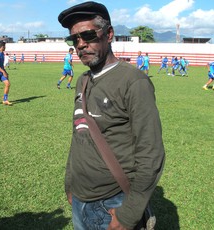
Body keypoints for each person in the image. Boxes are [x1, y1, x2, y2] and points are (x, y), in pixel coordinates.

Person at [58, 2, 165, 230]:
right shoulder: (82, 81)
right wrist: (70, 185)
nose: (81, 44)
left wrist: (128, 215)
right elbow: (80, 136)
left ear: (109, 34)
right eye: (74, 39)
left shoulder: (134, 81)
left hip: (113, 204)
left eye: (88, 35)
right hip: (79, 199)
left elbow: (151, 154)